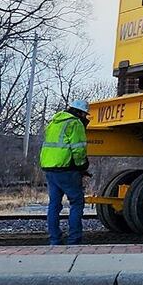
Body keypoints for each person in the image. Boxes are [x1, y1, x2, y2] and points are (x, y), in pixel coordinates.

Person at [38, 97, 90, 246]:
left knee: (54, 205)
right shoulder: (75, 123)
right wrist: (82, 165)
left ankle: (54, 240)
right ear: (80, 113)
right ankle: (74, 240)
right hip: (66, 169)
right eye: (85, 115)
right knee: (76, 202)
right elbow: (78, 148)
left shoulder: (54, 122)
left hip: (49, 168)